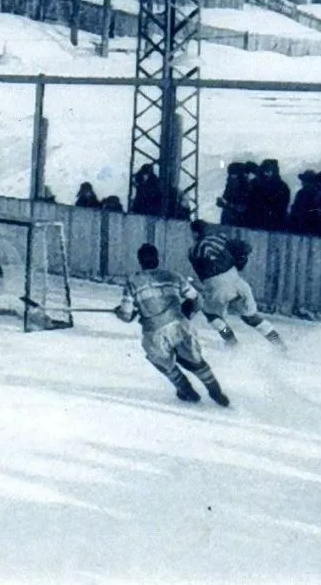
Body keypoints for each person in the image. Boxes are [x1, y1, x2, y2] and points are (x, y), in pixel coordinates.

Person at [115, 243, 230, 406]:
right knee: (196, 361)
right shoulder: (173, 276)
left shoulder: (133, 281)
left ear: (139, 261)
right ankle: (216, 392)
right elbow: (197, 299)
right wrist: (188, 313)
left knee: (162, 361)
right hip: (181, 325)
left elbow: (126, 315)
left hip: (155, 332)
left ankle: (186, 389)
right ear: (157, 259)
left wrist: (121, 312)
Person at [187, 219, 285, 350]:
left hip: (217, 285)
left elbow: (204, 274)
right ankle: (279, 344)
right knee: (251, 317)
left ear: (195, 233)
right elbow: (246, 247)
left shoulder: (194, 250)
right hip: (237, 280)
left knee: (211, 315)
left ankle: (231, 341)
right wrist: (239, 263)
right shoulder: (220, 239)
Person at [250, 158, 291, 231]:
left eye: (270, 171)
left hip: (275, 222)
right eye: (265, 171)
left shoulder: (282, 186)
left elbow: (282, 205)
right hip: (257, 221)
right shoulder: (255, 184)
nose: (267, 173)